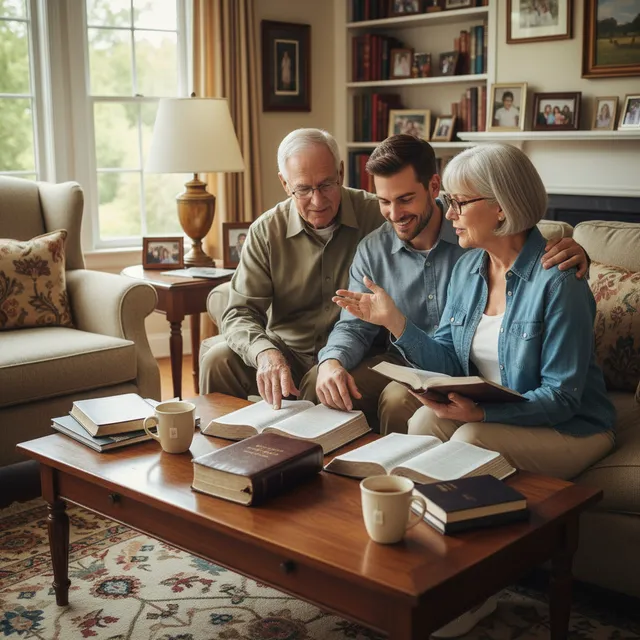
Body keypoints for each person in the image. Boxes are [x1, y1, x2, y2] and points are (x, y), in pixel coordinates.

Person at [333, 143, 615, 478]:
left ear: (501, 206)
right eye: (449, 202)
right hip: (495, 413)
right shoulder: (467, 270)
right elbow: (451, 363)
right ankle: (413, 519)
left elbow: (562, 398)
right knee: (424, 419)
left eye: (459, 203)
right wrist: (394, 322)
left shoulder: (559, 281)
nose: (449, 213)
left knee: (470, 437)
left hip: (574, 426)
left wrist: (481, 414)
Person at [199, 128, 384, 408]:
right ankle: (225, 445)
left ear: (341, 173)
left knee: (317, 382)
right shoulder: (266, 231)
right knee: (218, 360)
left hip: (357, 354)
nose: (318, 201)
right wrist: (265, 353)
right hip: (287, 351)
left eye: (326, 185)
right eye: (304, 189)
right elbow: (239, 312)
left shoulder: (377, 216)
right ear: (285, 185)